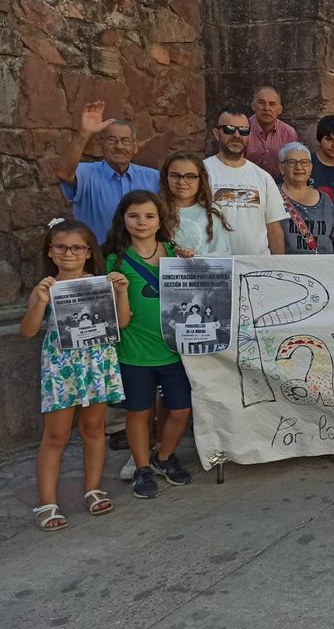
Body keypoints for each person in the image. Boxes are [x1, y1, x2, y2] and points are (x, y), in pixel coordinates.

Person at [21, 219, 128, 530]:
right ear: (51, 253)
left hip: (96, 361)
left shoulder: (99, 283)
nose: (69, 253)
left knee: (94, 429)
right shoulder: (46, 287)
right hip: (61, 367)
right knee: (55, 436)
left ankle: (93, 489)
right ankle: (47, 503)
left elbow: (120, 323)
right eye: (61, 247)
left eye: (77, 247)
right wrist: (40, 304)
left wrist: (121, 293)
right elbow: (27, 331)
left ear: (87, 252)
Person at [104, 190, 194, 499]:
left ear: (160, 220)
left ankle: (163, 457)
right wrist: (118, 289)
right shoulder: (114, 260)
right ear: (123, 219)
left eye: (149, 216)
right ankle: (142, 467)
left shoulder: (173, 251)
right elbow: (119, 320)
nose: (141, 222)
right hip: (134, 351)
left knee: (181, 409)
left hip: (172, 349)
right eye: (134, 216)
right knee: (139, 413)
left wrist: (188, 264)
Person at [55, 101, 159, 243]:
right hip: (99, 259)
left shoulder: (154, 177)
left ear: (135, 147)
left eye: (125, 141)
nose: (119, 146)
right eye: (111, 140)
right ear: (101, 145)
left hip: (140, 261)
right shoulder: (87, 173)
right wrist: (84, 133)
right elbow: (63, 173)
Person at [204, 108, 287, 255]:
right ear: (216, 134)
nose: (236, 135)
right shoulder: (202, 172)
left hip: (257, 267)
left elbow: (274, 229)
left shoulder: (263, 177)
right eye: (229, 129)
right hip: (214, 268)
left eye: (243, 131)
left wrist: (278, 266)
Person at [159, 152, 232, 256]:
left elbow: (221, 253)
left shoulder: (211, 211)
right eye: (175, 175)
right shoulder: (155, 209)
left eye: (190, 176)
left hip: (201, 271)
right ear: (166, 177)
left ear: (201, 179)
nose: (181, 182)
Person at [278, 142, 334, 254]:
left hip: (321, 267)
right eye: (292, 163)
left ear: (311, 168)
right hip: (285, 268)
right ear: (282, 168)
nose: (299, 167)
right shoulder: (273, 196)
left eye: (304, 162)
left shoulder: (325, 200)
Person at [245, 86, 299, 182]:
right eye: (261, 103)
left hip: (279, 186)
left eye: (272, 104)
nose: (266, 108)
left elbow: (292, 166)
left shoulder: (288, 133)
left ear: (280, 109)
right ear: (253, 106)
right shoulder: (243, 129)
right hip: (247, 183)